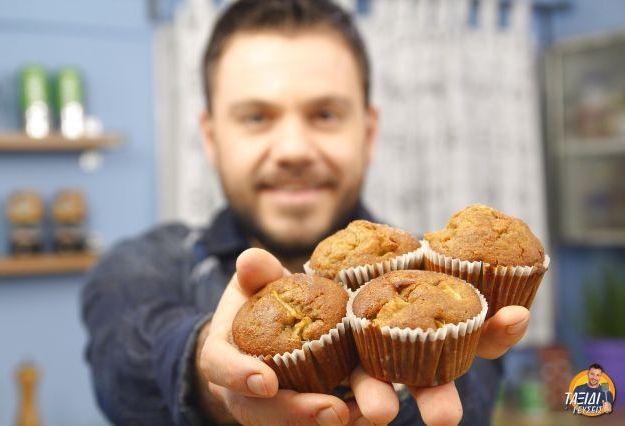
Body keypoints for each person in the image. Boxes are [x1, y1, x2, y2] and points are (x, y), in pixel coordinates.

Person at [82, 1, 531, 424]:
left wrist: (405, 363)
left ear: (369, 133)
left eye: (325, 114)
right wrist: (215, 369)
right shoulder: (148, 264)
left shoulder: (446, 278)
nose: (293, 150)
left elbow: (471, 397)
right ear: (212, 138)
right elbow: (123, 360)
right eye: (256, 117)